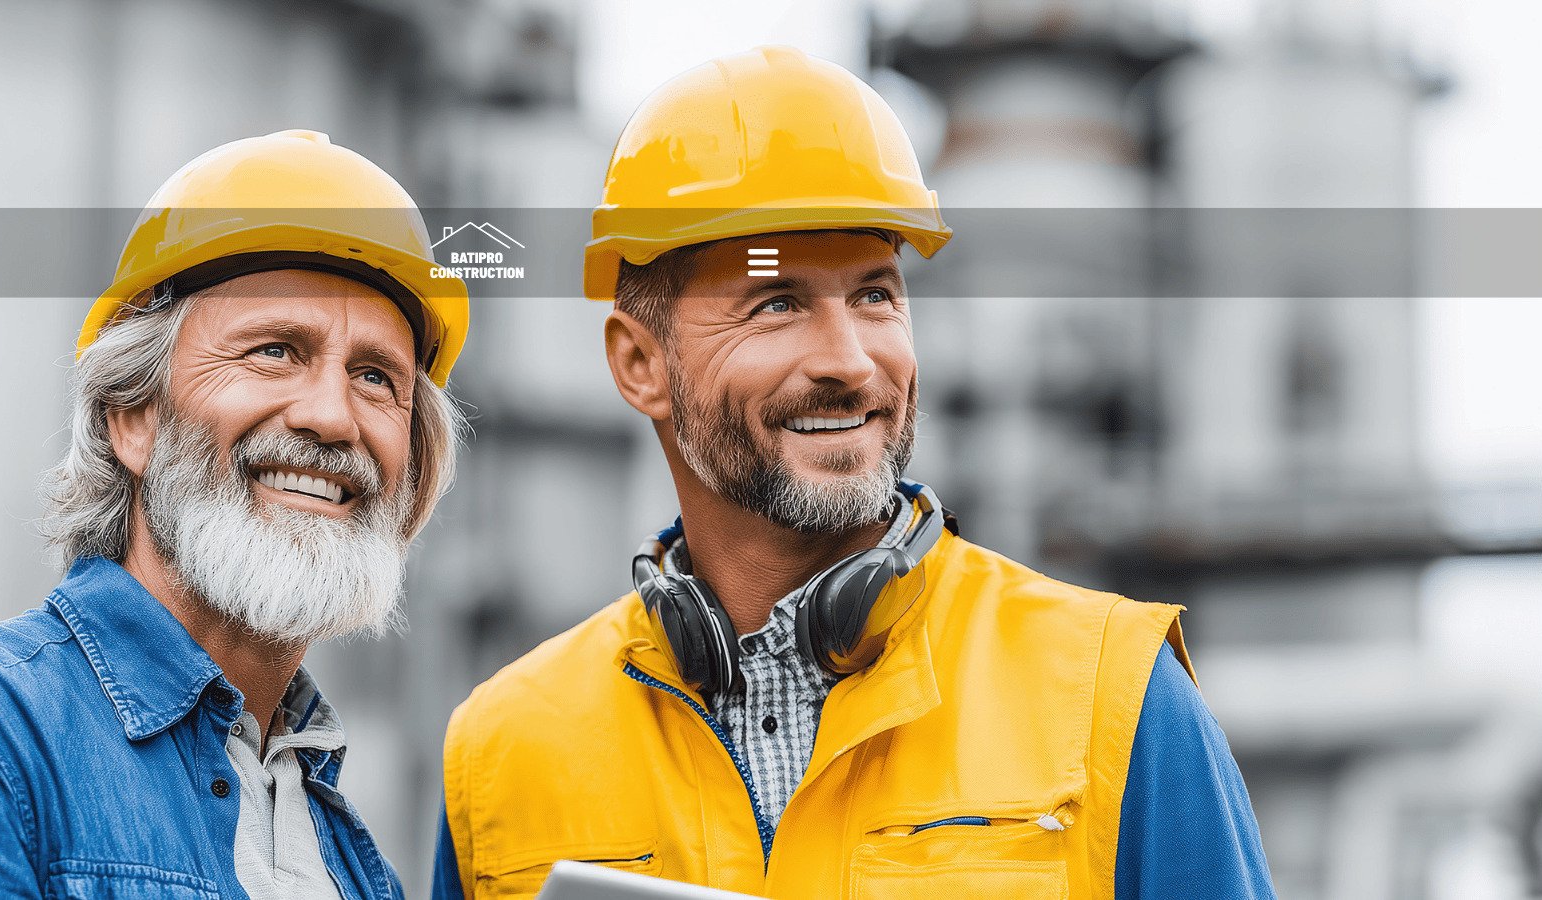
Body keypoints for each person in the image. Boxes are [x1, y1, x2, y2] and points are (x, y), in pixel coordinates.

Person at [434, 47, 1273, 898]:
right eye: (777, 302)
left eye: (876, 295)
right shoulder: (503, 758)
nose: (850, 362)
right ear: (640, 363)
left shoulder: (1116, 701)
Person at [0, 129, 468, 899]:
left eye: (375, 377)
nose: (333, 416)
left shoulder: (353, 864)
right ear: (132, 418)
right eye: (274, 351)